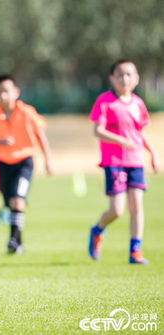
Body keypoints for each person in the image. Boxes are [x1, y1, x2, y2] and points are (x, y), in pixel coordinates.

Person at [88, 60, 160, 265]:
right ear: (111, 78)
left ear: (136, 79)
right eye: (120, 74)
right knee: (117, 210)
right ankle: (97, 230)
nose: (124, 78)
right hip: (114, 162)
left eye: (129, 74)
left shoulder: (138, 103)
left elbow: (140, 133)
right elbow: (97, 130)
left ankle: (135, 251)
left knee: (137, 205)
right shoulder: (105, 101)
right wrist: (121, 140)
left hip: (136, 161)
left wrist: (153, 153)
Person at [0, 74, 52, 254]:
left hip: (25, 162)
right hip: (4, 164)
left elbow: (40, 135)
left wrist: (48, 160)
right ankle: (18, 243)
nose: (3, 96)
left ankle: (12, 240)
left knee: (18, 200)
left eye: (6, 91)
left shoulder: (27, 112)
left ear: (16, 92)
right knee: (11, 204)